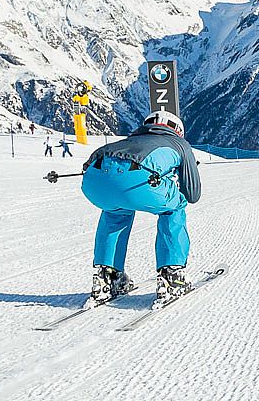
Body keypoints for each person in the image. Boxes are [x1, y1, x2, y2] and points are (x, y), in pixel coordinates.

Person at [77, 110, 202, 305]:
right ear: (177, 130)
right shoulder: (180, 144)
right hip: (139, 183)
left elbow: (91, 164)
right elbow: (193, 194)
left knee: (115, 212)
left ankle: (107, 278)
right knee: (174, 207)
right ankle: (172, 276)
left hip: (94, 181)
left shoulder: (129, 140)